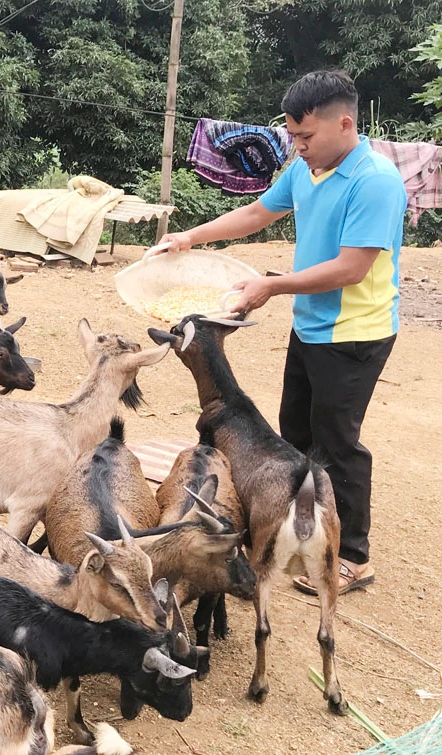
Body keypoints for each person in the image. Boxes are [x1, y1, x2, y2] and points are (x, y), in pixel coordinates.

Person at [156, 70, 407, 595]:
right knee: (294, 432)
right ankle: (294, 529)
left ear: (345, 123)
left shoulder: (375, 181)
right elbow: (256, 212)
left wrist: (270, 286)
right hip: (312, 324)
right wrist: (188, 238)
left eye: (306, 136)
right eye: (293, 136)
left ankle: (352, 555)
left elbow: (351, 268)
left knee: (337, 442)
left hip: (355, 332)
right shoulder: (305, 170)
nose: (298, 146)